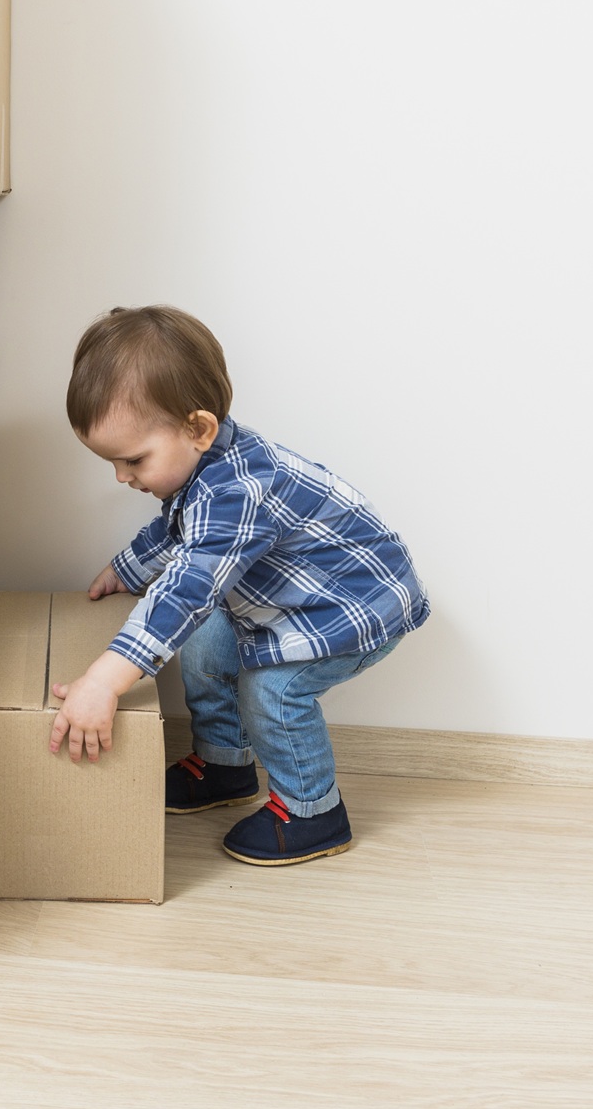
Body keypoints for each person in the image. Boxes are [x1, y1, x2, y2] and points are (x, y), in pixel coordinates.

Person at [49, 305, 428, 866]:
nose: (122, 477)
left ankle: (313, 811)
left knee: (272, 691)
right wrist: (127, 569)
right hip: (300, 599)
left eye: (133, 460)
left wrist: (105, 680)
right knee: (205, 643)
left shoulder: (237, 490)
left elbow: (187, 590)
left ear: (198, 429)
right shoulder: (203, 464)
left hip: (354, 607)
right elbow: (177, 529)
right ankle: (225, 765)